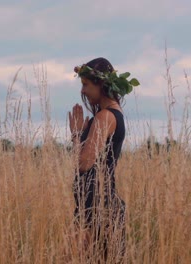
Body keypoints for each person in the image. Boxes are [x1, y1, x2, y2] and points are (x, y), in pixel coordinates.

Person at [68, 57, 139, 262]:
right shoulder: (113, 114)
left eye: (85, 85)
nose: (82, 91)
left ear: (101, 84)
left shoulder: (105, 117)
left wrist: (76, 135)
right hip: (101, 202)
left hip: (96, 205)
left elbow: (84, 163)